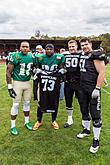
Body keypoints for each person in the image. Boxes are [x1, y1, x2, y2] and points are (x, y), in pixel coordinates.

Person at [77, 38, 105, 153]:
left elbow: (102, 71)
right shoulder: (83, 55)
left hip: (93, 89)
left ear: (90, 44)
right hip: (82, 88)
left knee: (95, 114)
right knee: (84, 110)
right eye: (82, 45)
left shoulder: (95, 55)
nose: (84, 46)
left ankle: (96, 140)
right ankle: (86, 130)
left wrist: (97, 88)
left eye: (86, 44)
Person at [32, 43, 65, 130]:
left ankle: (53, 120)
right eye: (47, 49)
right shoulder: (40, 57)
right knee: (41, 103)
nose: (49, 50)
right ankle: (39, 121)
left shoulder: (59, 57)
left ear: (53, 50)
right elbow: (35, 68)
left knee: (54, 103)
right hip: (43, 85)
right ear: (45, 50)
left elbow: (62, 68)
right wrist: (37, 71)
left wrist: (61, 71)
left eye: (51, 49)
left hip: (54, 85)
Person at [6, 41, 33, 135]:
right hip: (17, 83)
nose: (25, 48)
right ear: (20, 48)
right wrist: (10, 87)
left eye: (27, 47)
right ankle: (13, 126)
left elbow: (33, 68)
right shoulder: (15, 56)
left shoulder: (31, 56)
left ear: (29, 48)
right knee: (16, 104)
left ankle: (27, 122)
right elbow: (8, 72)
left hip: (28, 83)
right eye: (23, 46)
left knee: (27, 103)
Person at [64, 40, 82, 128]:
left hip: (79, 83)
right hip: (68, 83)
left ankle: (84, 119)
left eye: (73, 46)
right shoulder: (64, 55)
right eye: (70, 47)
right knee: (68, 101)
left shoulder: (82, 55)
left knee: (82, 101)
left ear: (77, 46)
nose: (71, 48)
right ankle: (69, 119)